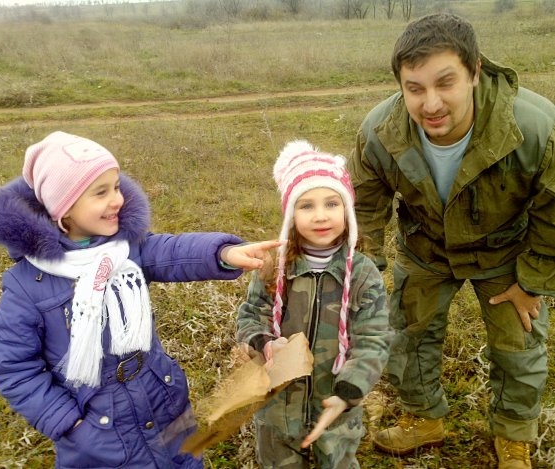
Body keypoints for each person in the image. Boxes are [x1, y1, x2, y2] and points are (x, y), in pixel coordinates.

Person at [0, 130, 281, 469]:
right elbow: (15, 370)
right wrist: (70, 424)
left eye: (117, 187)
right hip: (97, 431)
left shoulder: (127, 248)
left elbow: (173, 252)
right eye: (101, 192)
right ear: (63, 209)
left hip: (161, 399)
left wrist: (225, 253)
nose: (117, 200)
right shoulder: (28, 285)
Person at [346, 12, 555, 469]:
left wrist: (532, 281)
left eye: (446, 83)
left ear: (475, 72)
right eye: (414, 88)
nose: (431, 104)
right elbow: (363, 209)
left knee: (518, 348)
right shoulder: (381, 133)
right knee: (409, 337)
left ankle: (513, 436)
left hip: (505, 252)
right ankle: (426, 419)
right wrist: (361, 276)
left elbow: (554, 213)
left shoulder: (535, 128)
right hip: (427, 248)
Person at [236, 140, 392, 468]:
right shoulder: (273, 267)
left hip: (336, 413)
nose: (320, 216)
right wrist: (262, 343)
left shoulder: (363, 274)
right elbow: (251, 316)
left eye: (332, 204)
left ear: (347, 211)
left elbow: (373, 340)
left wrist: (348, 392)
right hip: (277, 410)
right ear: (290, 214)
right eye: (306, 206)